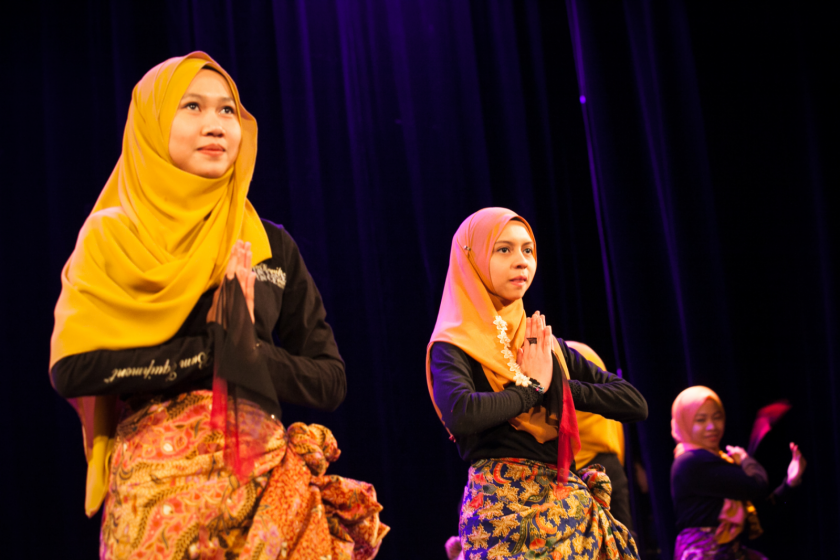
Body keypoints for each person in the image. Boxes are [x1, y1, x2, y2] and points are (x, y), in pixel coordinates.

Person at [49, 52, 387, 560]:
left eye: (227, 110)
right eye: (192, 107)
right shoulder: (113, 234)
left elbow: (329, 380)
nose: (215, 125)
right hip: (159, 499)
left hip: (266, 491)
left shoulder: (269, 244)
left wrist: (247, 352)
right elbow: (73, 369)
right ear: (153, 123)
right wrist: (208, 353)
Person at [426, 207, 648, 559]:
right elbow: (460, 414)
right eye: (504, 249)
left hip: (567, 514)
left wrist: (558, 388)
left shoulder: (543, 344)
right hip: (501, 520)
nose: (521, 261)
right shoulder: (453, 345)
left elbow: (634, 403)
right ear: (473, 258)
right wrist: (531, 389)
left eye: (527, 250)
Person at [670, 386, 805, 560]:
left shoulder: (718, 461)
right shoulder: (690, 462)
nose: (712, 426)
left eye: (717, 417)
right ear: (685, 422)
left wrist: (789, 483)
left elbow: (759, 513)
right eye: (701, 420)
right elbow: (758, 485)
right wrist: (745, 460)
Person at [567, 341, 633, 531]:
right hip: (609, 465)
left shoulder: (564, 353)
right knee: (621, 540)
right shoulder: (582, 352)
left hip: (578, 469)